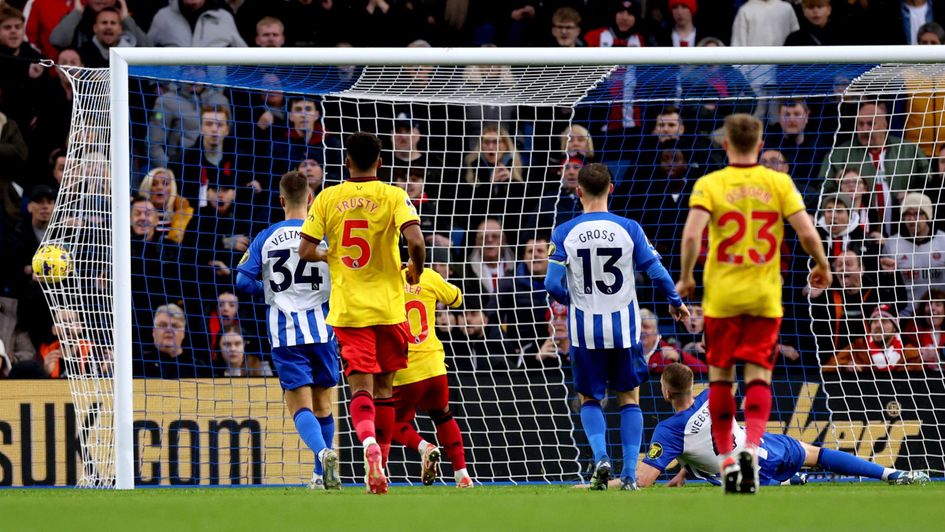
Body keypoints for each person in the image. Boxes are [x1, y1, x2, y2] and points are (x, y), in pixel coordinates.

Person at [676, 113, 831, 494]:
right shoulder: (777, 181)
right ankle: (752, 446)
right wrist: (822, 263)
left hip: (722, 296)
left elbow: (693, 234)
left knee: (721, 380)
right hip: (764, 294)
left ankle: (730, 456)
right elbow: (807, 230)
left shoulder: (710, 183)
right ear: (760, 145)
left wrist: (686, 276)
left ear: (725, 144)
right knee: (759, 376)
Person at [545, 162, 689, 490]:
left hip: (585, 331)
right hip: (624, 327)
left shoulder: (564, 231)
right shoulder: (629, 228)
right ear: (611, 188)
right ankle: (628, 475)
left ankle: (600, 459)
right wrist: (675, 301)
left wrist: (576, 300)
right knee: (629, 398)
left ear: (578, 191)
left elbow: (552, 284)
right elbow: (656, 270)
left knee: (589, 398)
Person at [298, 131, 425, 495]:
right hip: (388, 307)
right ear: (381, 162)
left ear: (346, 162)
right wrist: (416, 268)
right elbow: (415, 241)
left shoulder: (327, 197)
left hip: (350, 310)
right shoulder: (393, 195)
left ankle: (367, 444)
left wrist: (328, 254)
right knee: (386, 389)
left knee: (360, 389)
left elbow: (305, 250)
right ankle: (380, 462)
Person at [632, 363, 929, 488]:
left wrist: (604, 482)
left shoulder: (668, 430)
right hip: (761, 449)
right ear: (692, 384)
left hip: (744, 477)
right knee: (816, 453)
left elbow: (643, 481)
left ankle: (791, 481)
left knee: (718, 472)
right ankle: (893, 473)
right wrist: (687, 468)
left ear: (665, 392)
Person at [235, 171, 340, 490]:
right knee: (324, 405)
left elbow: (241, 281)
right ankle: (320, 475)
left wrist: (271, 289)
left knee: (299, 406)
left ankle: (322, 454)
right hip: (323, 331)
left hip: (285, 333)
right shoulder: (325, 237)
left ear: (281, 200)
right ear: (310, 199)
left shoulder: (266, 237)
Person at [390, 251, 472, 488]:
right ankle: (462, 474)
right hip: (434, 364)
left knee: (392, 422)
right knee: (443, 416)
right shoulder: (429, 276)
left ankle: (424, 447)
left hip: (403, 367)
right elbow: (457, 298)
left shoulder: (388, 278)